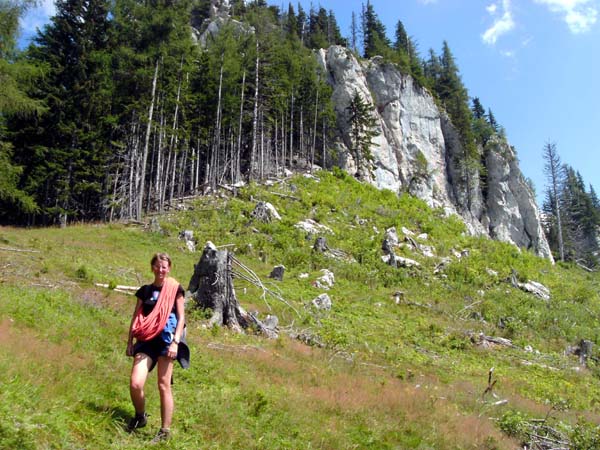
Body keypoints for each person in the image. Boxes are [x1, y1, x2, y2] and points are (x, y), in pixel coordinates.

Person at [126, 252, 189, 443]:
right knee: (136, 383)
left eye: (164, 266)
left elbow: (181, 318)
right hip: (146, 340)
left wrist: (176, 342)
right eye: (157, 266)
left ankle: (164, 431)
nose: (161, 270)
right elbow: (136, 317)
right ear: (152, 268)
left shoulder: (175, 290)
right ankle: (140, 416)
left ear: (169, 268)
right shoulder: (144, 291)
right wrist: (129, 342)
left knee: (163, 385)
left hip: (167, 341)